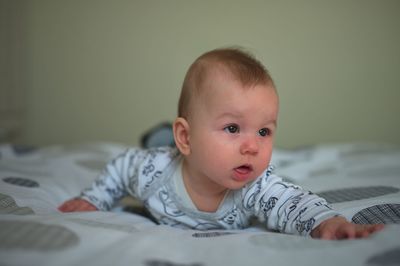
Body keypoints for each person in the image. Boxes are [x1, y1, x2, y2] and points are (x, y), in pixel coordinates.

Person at [59, 48, 383, 239]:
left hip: (186, 148)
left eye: (264, 131)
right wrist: (94, 198)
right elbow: (119, 169)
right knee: (156, 142)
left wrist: (328, 223)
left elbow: (293, 202)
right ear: (185, 136)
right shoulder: (150, 170)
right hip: (172, 150)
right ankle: (162, 135)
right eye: (232, 128)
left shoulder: (255, 185)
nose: (252, 147)